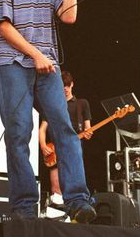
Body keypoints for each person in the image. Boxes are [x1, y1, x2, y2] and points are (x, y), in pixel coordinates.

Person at [0, 0, 96, 223]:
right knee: (19, 132)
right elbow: (4, 26)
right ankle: (24, 207)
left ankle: (77, 200)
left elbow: (70, 16)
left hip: (48, 65)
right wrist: (35, 53)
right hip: (13, 62)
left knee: (64, 127)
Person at [39, 70, 93, 206]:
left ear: (72, 85)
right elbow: (42, 129)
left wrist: (88, 133)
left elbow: (88, 128)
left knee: (74, 178)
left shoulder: (82, 104)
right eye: (62, 87)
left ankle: (76, 207)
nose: (65, 89)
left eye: (67, 86)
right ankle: (58, 211)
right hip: (55, 148)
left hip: (74, 147)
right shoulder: (53, 106)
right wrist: (43, 146)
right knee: (56, 187)